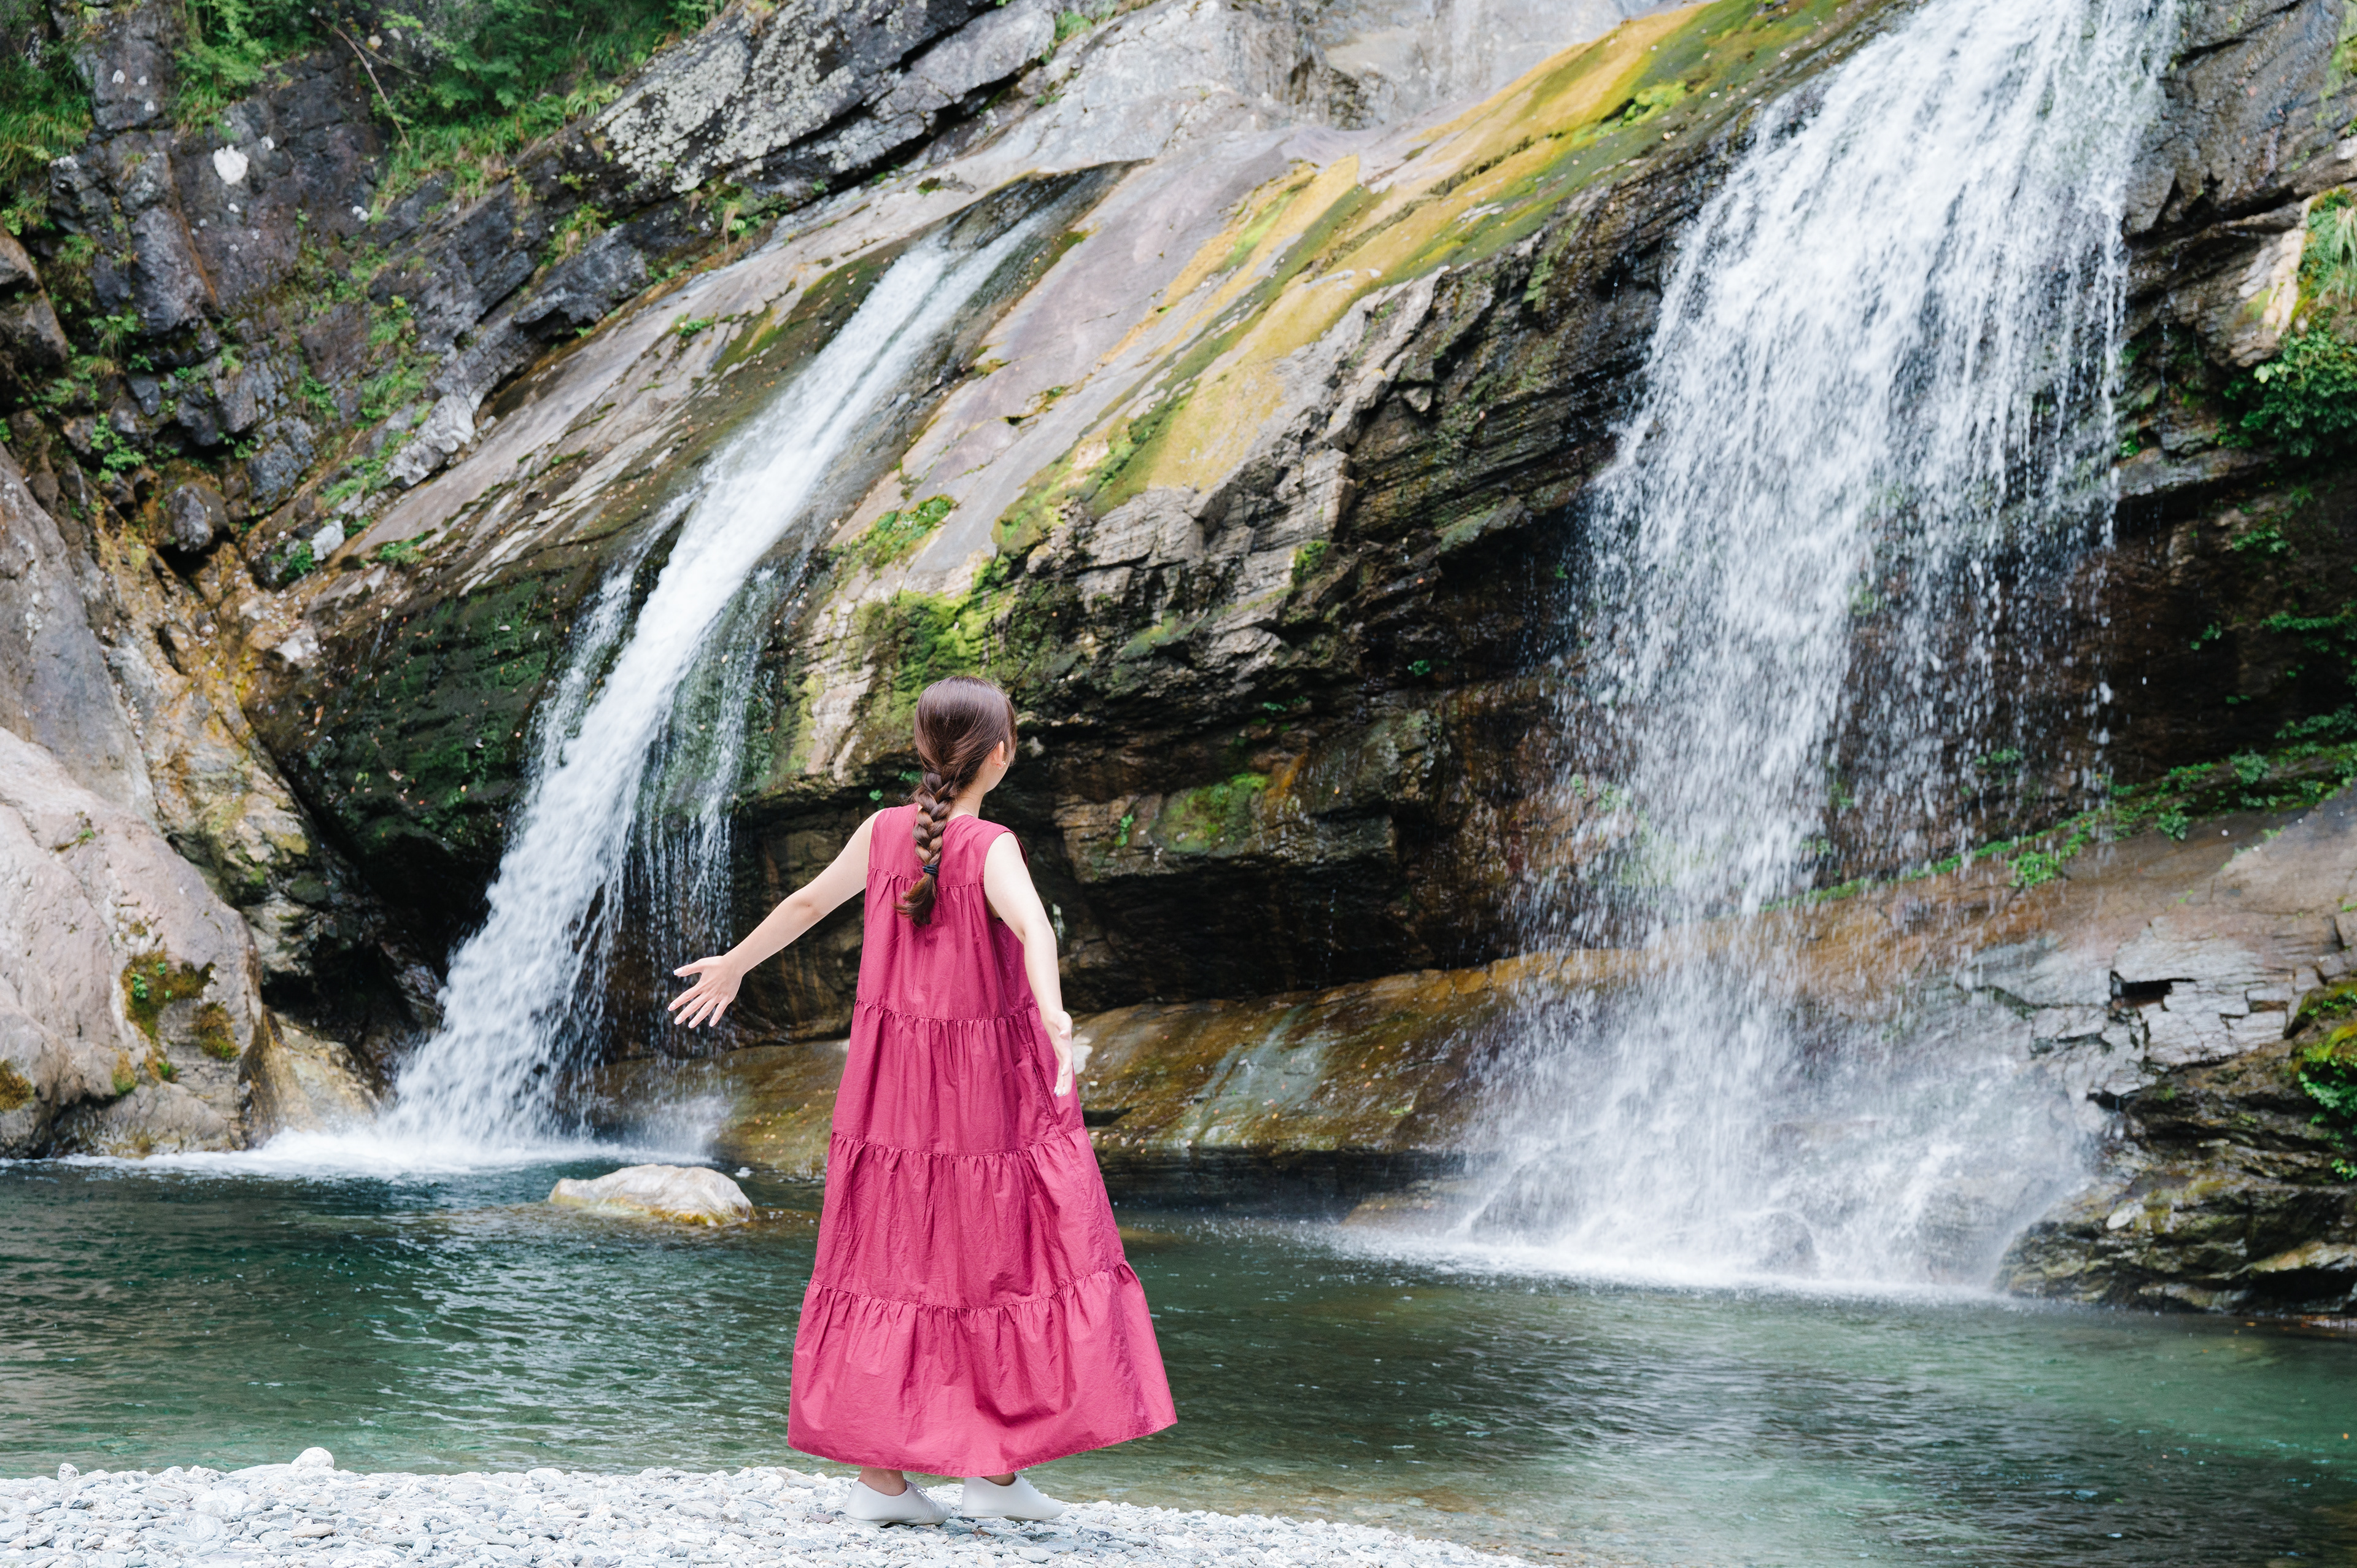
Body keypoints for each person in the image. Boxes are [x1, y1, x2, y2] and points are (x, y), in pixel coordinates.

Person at [668, 674, 1176, 1526]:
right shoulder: (990, 845)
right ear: (1000, 754)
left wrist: (736, 964)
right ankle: (990, 1473)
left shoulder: (882, 832)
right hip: (982, 1094)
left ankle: (910, 1483)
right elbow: (1036, 929)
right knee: (1000, 1255)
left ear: (924, 748)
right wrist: (1055, 1013)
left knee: (888, 1256)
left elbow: (807, 901)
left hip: (890, 1090)